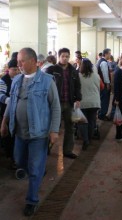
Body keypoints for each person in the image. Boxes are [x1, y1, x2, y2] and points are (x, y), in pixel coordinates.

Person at [0, 47, 61, 217]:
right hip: (19, 132)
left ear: (34, 62)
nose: (18, 64)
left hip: (39, 134)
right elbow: (11, 103)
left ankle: (31, 200)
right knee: (19, 160)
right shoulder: (18, 80)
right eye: (18, 61)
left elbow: (55, 107)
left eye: (22, 61)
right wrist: (4, 122)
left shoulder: (47, 81)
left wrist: (54, 130)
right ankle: (35, 169)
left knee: (34, 168)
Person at [46, 47, 82, 159]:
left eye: (67, 56)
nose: (65, 58)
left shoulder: (73, 71)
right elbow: (46, 86)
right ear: (59, 57)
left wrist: (78, 99)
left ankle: (67, 150)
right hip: (55, 104)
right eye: (63, 56)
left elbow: (77, 86)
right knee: (51, 127)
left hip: (69, 103)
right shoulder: (52, 70)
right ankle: (46, 148)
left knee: (70, 127)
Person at [0, 59, 19, 164]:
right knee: (9, 136)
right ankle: (12, 158)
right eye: (14, 70)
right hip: (6, 112)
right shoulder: (4, 80)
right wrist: (9, 100)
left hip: (17, 113)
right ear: (8, 69)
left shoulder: (20, 79)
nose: (16, 72)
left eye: (17, 69)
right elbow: (0, 94)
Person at [78, 58, 101, 150]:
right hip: (94, 102)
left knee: (83, 122)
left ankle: (85, 140)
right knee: (92, 122)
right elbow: (98, 88)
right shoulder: (96, 76)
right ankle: (89, 138)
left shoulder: (79, 76)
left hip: (83, 102)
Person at [96, 48, 111, 120]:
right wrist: (107, 84)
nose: (110, 55)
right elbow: (105, 74)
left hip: (100, 84)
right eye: (109, 54)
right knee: (105, 100)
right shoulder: (104, 62)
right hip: (104, 85)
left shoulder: (99, 61)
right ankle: (102, 114)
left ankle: (100, 113)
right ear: (106, 54)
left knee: (102, 99)